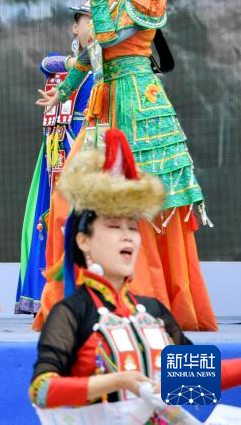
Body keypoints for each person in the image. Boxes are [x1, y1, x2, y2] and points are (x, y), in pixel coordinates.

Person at [34, 0, 215, 331]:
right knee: (71, 199)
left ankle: (147, 298)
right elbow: (89, 54)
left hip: (135, 101)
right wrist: (63, 92)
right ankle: (81, 301)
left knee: (141, 199)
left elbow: (110, 37)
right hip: (102, 105)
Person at [30, 128, 240, 413]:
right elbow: (42, 391)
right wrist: (117, 381)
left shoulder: (153, 311)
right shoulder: (72, 313)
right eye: (114, 227)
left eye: (132, 227)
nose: (128, 236)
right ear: (83, 241)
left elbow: (198, 378)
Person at [15, 1, 94, 315]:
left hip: (90, 145)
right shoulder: (70, 65)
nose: (93, 26)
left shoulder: (110, 68)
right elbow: (46, 63)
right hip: (58, 149)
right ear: (75, 28)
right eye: (87, 20)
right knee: (48, 216)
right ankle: (46, 291)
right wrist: (78, 61)